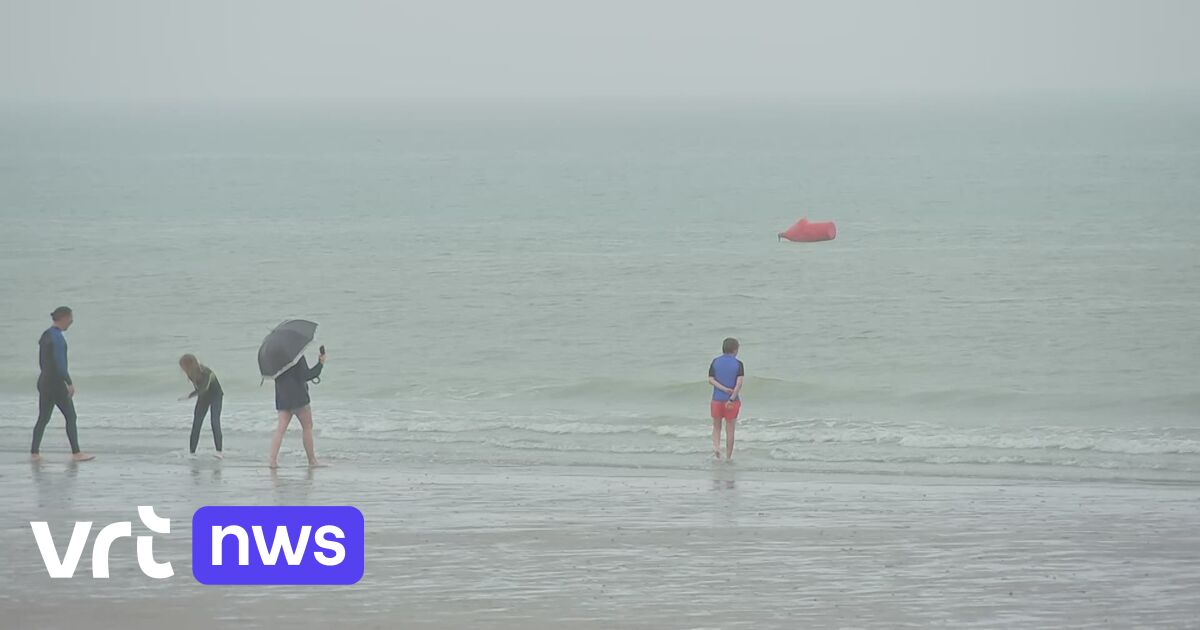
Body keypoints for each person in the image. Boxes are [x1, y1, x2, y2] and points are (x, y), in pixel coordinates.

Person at [31, 307, 94, 462]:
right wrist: (69, 382)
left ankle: (34, 453)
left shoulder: (46, 335)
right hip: (56, 383)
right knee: (71, 416)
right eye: (70, 319)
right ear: (64, 318)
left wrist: (46, 377)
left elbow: (43, 362)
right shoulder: (57, 337)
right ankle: (76, 453)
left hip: (44, 381)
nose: (71, 322)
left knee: (43, 418)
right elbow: (60, 363)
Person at [268, 346, 326, 468]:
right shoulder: (296, 356)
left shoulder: (274, 359)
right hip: (299, 398)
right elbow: (307, 375)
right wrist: (320, 363)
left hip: (282, 397)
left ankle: (272, 461)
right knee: (307, 427)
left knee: (280, 430)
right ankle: (312, 461)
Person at [179, 354, 224, 458]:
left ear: (190, 365)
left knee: (215, 422)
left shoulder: (206, 373)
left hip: (215, 397)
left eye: (183, 366)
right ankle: (192, 452)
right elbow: (200, 390)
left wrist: (189, 396)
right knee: (196, 424)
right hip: (203, 397)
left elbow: (204, 388)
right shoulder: (190, 374)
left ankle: (219, 452)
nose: (182, 369)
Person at [707, 337, 744, 462]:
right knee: (730, 429)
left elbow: (711, 380)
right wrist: (732, 398)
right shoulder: (738, 364)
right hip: (732, 402)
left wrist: (723, 389)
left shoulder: (715, 362)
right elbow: (739, 384)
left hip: (716, 400)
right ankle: (728, 457)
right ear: (735, 350)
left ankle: (717, 448)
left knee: (716, 427)